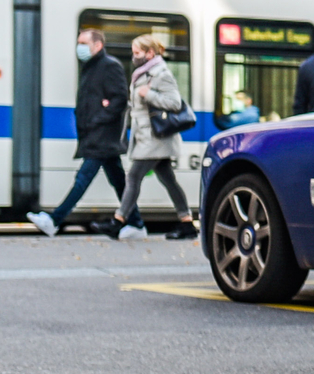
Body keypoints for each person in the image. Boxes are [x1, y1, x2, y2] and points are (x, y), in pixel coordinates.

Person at [26, 29, 130, 235]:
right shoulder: (91, 67)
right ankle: (136, 222)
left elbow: (120, 99)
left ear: (98, 45)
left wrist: (98, 118)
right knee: (119, 182)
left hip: (102, 135)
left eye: (83, 43)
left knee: (83, 178)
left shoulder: (110, 66)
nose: (79, 48)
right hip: (95, 134)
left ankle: (55, 220)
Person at [113, 35, 193, 240]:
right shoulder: (144, 72)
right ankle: (187, 223)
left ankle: (118, 221)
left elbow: (175, 103)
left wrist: (148, 94)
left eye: (137, 53)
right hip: (147, 135)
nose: (134, 57)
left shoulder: (161, 74)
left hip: (155, 137)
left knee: (133, 176)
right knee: (168, 180)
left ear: (150, 53)